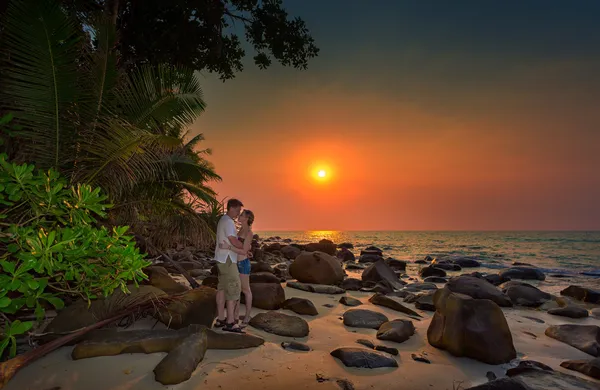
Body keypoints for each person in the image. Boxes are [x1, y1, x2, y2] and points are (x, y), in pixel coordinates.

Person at [214, 198, 245, 333]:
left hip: (221, 258)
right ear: (231, 208)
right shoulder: (228, 222)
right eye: (237, 211)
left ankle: (221, 318)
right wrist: (244, 246)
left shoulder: (222, 220)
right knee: (233, 287)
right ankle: (231, 322)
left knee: (221, 288)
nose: (238, 214)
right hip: (227, 259)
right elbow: (233, 240)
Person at [219, 210, 254, 328]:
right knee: (236, 291)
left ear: (247, 218)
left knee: (246, 290)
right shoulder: (241, 230)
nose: (239, 216)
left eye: (242, 215)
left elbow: (243, 251)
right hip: (235, 262)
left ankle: (247, 316)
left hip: (243, 263)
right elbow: (244, 248)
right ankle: (235, 316)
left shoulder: (249, 232)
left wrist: (228, 247)